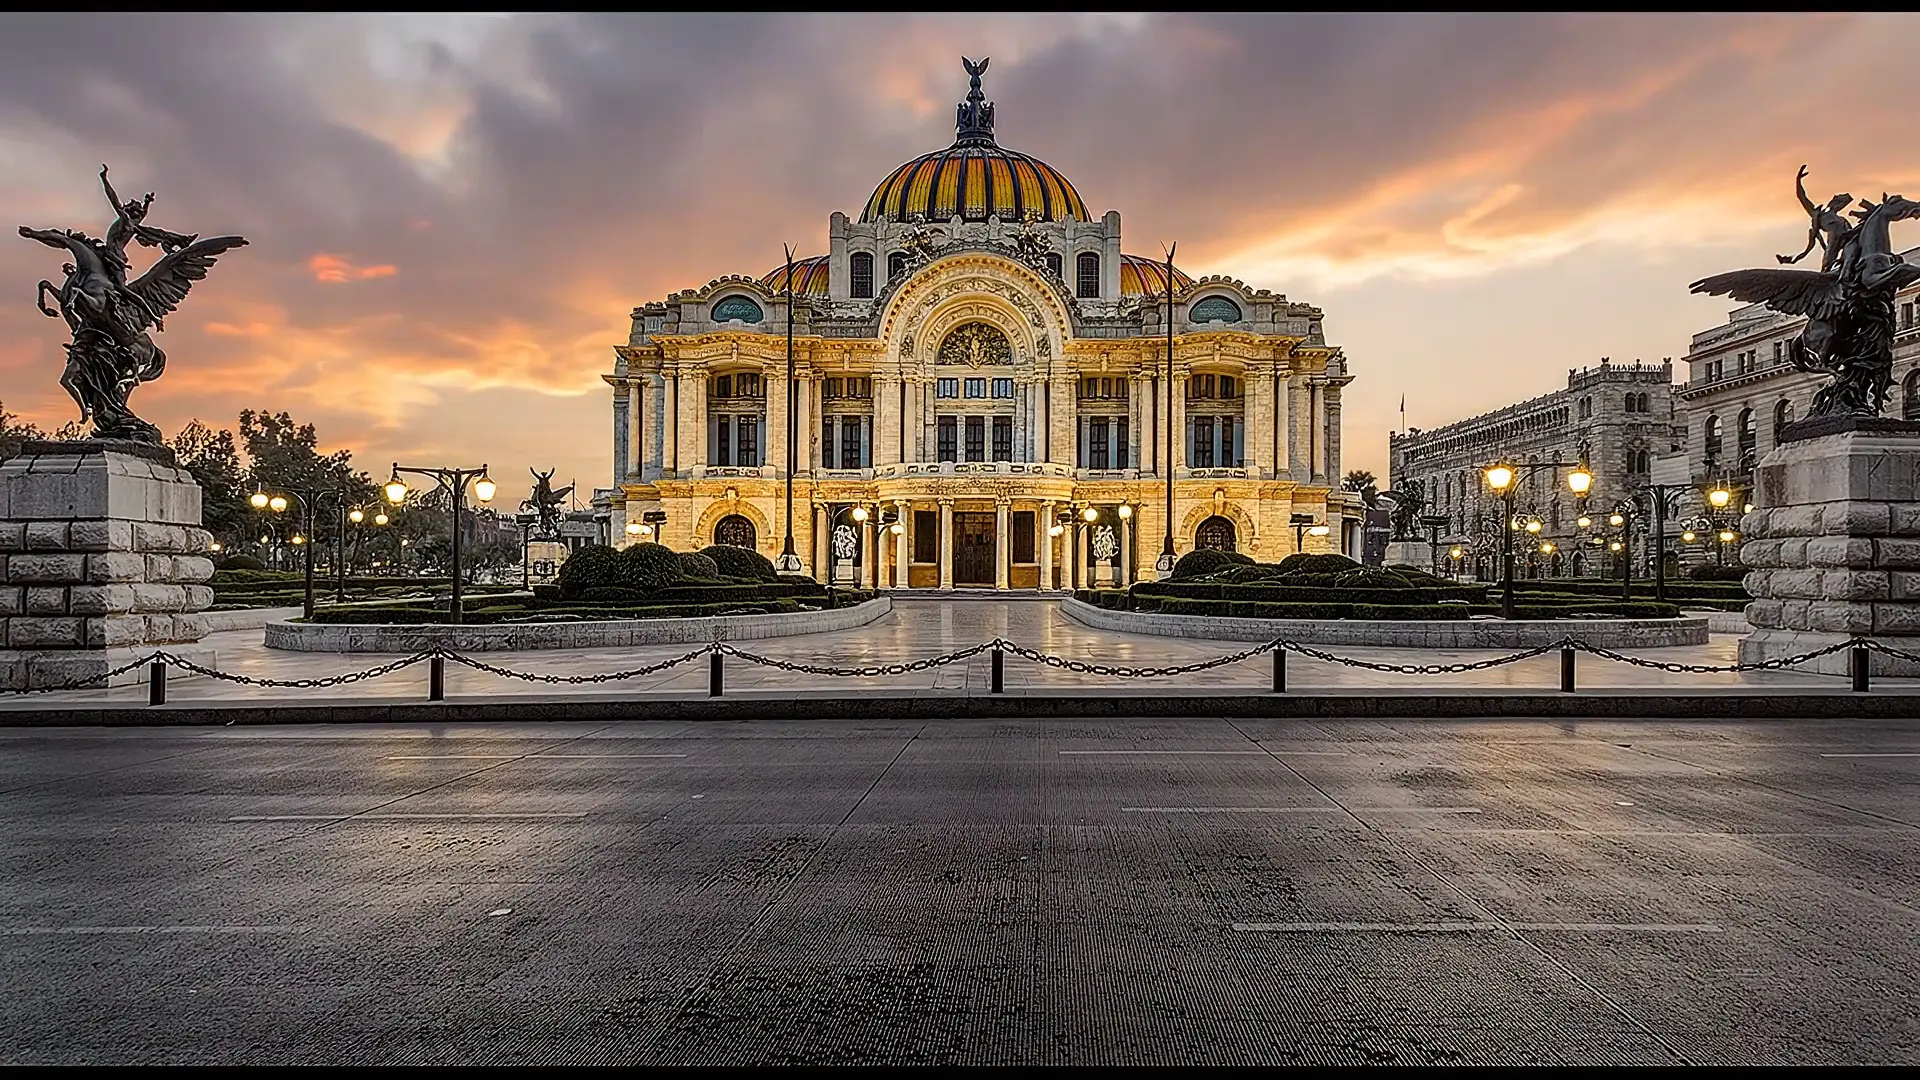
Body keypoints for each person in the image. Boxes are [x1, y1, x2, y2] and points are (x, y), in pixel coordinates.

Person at [1777, 165, 1858, 281]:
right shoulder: (1816, 214)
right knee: (1828, 262)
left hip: (1846, 233)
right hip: (1834, 236)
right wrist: (1798, 180)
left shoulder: (1836, 214)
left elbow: (1848, 198)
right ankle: (1825, 278)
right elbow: (1801, 196)